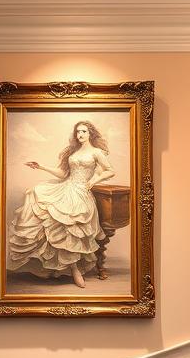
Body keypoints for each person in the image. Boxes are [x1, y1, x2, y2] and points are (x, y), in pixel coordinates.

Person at [8, 120, 115, 288]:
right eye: (78, 132)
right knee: (36, 193)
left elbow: (110, 170)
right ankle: (71, 268)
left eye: (83, 131)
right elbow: (62, 174)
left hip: (82, 192)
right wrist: (41, 166)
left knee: (72, 228)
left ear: (90, 134)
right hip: (67, 187)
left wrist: (94, 180)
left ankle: (75, 270)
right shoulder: (73, 153)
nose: (80, 134)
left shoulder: (96, 152)